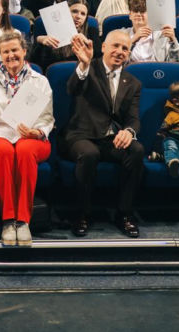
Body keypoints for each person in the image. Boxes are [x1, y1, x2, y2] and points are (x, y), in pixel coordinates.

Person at [0, 32, 53, 247]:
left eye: (15, 50)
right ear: (0, 54)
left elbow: (48, 118)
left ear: (24, 51)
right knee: (5, 150)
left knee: (24, 150)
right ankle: (8, 220)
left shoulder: (40, 81)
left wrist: (38, 132)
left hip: (31, 136)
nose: (11, 55)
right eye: (5, 52)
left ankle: (23, 221)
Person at [62, 30, 144, 239]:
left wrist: (129, 131)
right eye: (115, 46)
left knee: (136, 150)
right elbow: (72, 88)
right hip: (82, 135)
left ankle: (124, 213)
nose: (119, 51)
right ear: (103, 47)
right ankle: (83, 214)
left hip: (110, 139)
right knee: (89, 154)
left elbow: (133, 118)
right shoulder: (89, 67)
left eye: (125, 48)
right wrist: (83, 64)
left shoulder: (133, 82)